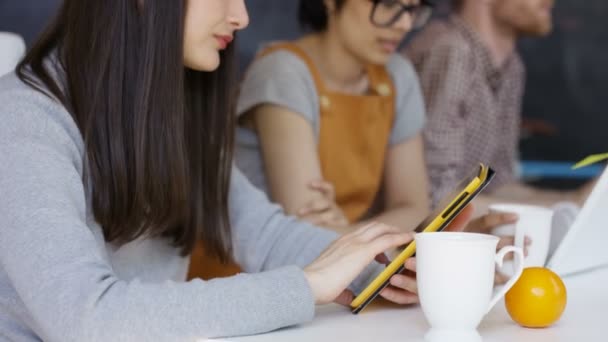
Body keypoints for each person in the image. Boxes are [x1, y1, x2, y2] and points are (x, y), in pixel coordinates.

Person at [0, 0, 436, 340]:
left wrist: (390, 265)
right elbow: (86, 318)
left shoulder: (169, 113)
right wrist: (307, 285)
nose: (242, 16)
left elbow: (268, 235)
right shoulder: (23, 118)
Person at [235, 0, 435, 234]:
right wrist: (359, 235)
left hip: (347, 260)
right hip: (255, 266)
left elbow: (417, 210)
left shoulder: (397, 74)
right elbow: (306, 230)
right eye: (388, 4)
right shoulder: (282, 72)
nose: (405, 23)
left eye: (412, 9)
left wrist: (346, 233)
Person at [404, 0, 592, 211]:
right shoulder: (451, 50)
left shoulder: (512, 66)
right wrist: (571, 205)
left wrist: (574, 201)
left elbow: (496, 185)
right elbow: (435, 202)